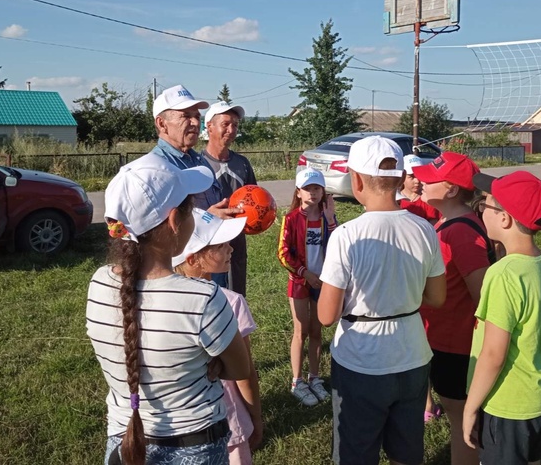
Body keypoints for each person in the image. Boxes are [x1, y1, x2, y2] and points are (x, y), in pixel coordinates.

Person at [85, 153, 250, 465]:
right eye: (192, 210)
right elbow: (240, 369)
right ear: (175, 221)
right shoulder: (204, 299)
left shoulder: (98, 283)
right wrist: (207, 364)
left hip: (123, 442)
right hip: (196, 445)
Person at [317, 136, 447, 465]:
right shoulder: (424, 229)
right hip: (412, 353)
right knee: (406, 450)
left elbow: (326, 314)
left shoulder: (346, 235)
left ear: (356, 180)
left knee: (357, 452)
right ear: (401, 178)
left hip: (361, 359)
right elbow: (437, 296)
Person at [463, 171, 541, 465]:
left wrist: (470, 408)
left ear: (504, 218)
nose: (480, 209)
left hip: (505, 405)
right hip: (540, 395)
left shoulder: (503, 274)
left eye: (485, 204)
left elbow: (493, 354)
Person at [412, 152, 493, 465]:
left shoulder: (459, 230)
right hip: (443, 340)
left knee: (462, 425)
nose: (420, 180)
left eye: (430, 178)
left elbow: (483, 295)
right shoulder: (447, 222)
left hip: (455, 346)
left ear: (451, 190)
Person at [173, 208, 263, 465]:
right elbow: (245, 373)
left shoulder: (159, 301)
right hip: (227, 419)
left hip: (177, 424)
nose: (231, 249)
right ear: (194, 259)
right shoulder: (232, 302)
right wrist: (255, 416)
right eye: (222, 245)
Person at [277, 168, 337, 407]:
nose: (312, 193)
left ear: (322, 192)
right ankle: (297, 381)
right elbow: (283, 253)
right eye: (307, 188)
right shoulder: (290, 219)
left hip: (322, 283)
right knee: (300, 330)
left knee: (317, 332)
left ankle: (315, 377)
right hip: (300, 284)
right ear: (298, 192)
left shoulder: (327, 217)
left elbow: (337, 246)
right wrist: (305, 274)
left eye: (316, 188)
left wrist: (331, 220)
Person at [151, 85, 242, 223]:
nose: (195, 123)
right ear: (162, 123)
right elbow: (156, 232)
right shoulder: (156, 169)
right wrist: (207, 219)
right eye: (186, 116)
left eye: (197, 116)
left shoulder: (199, 161)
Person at [202, 100, 257, 296]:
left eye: (235, 124)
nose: (231, 129)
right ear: (209, 126)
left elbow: (256, 202)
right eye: (225, 123)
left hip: (236, 241)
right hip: (207, 243)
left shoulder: (242, 163)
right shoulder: (197, 164)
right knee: (211, 297)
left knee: (236, 296)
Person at [398, 153, 440, 224]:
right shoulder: (395, 200)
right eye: (411, 176)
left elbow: (433, 226)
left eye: (419, 175)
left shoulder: (428, 200)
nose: (417, 181)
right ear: (403, 177)